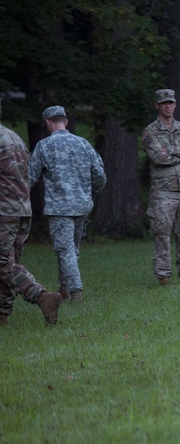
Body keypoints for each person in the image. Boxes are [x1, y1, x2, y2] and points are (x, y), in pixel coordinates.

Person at [28, 105, 106, 302]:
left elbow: (29, 177)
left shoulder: (44, 146)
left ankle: (75, 292)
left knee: (65, 250)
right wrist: (90, 194)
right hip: (82, 205)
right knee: (72, 249)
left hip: (59, 207)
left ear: (47, 123)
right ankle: (64, 288)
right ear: (66, 121)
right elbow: (100, 176)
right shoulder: (83, 144)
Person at [0, 98, 62, 325]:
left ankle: (41, 296)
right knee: (8, 261)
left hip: (4, 211)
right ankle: (3, 315)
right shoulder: (14, 137)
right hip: (21, 209)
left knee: (3, 263)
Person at [141, 89, 180, 286]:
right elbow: (158, 157)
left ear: (175, 105)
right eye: (164, 103)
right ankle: (164, 276)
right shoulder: (150, 131)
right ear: (157, 105)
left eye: (171, 102)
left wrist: (172, 150)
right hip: (163, 192)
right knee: (162, 234)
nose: (168, 106)